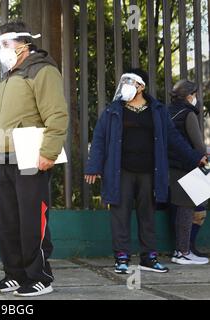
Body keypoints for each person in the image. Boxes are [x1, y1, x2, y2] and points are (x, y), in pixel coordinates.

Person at [84, 69, 207, 274]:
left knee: (147, 214)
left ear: (141, 86)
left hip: (149, 171)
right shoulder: (113, 110)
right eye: (123, 81)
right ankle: (121, 258)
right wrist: (94, 166)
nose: (125, 85)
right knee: (120, 214)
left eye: (130, 81)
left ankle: (149, 258)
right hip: (120, 171)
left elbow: (174, 139)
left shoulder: (157, 110)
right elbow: (99, 139)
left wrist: (195, 157)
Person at [0, 21, 68, 297]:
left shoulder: (42, 70)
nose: (1, 50)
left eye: (5, 44)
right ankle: (14, 275)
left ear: (24, 43)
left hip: (31, 156)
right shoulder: (8, 78)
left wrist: (49, 152)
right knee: (7, 222)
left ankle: (40, 277)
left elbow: (57, 114)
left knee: (33, 220)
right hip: (6, 159)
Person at [167, 80, 208, 264]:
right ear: (189, 96)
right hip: (188, 167)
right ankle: (183, 251)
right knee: (190, 209)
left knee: (184, 208)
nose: (197, 98)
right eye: (195, 94)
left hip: (171, 166)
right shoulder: (188, 114)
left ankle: (185, 249)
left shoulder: (168, 112)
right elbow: (198, 144)